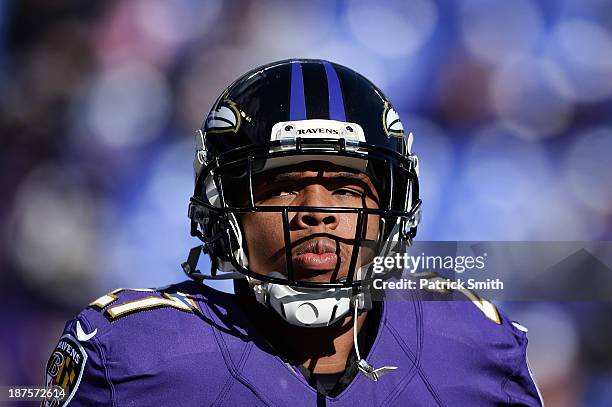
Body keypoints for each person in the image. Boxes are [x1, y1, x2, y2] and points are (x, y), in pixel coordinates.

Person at [43, 59, 543, 406]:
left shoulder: (472, 345)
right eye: (284, 186)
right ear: (225, 208)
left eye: (347, 188)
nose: (316, 211)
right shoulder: (135, 355)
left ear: (391, 209)